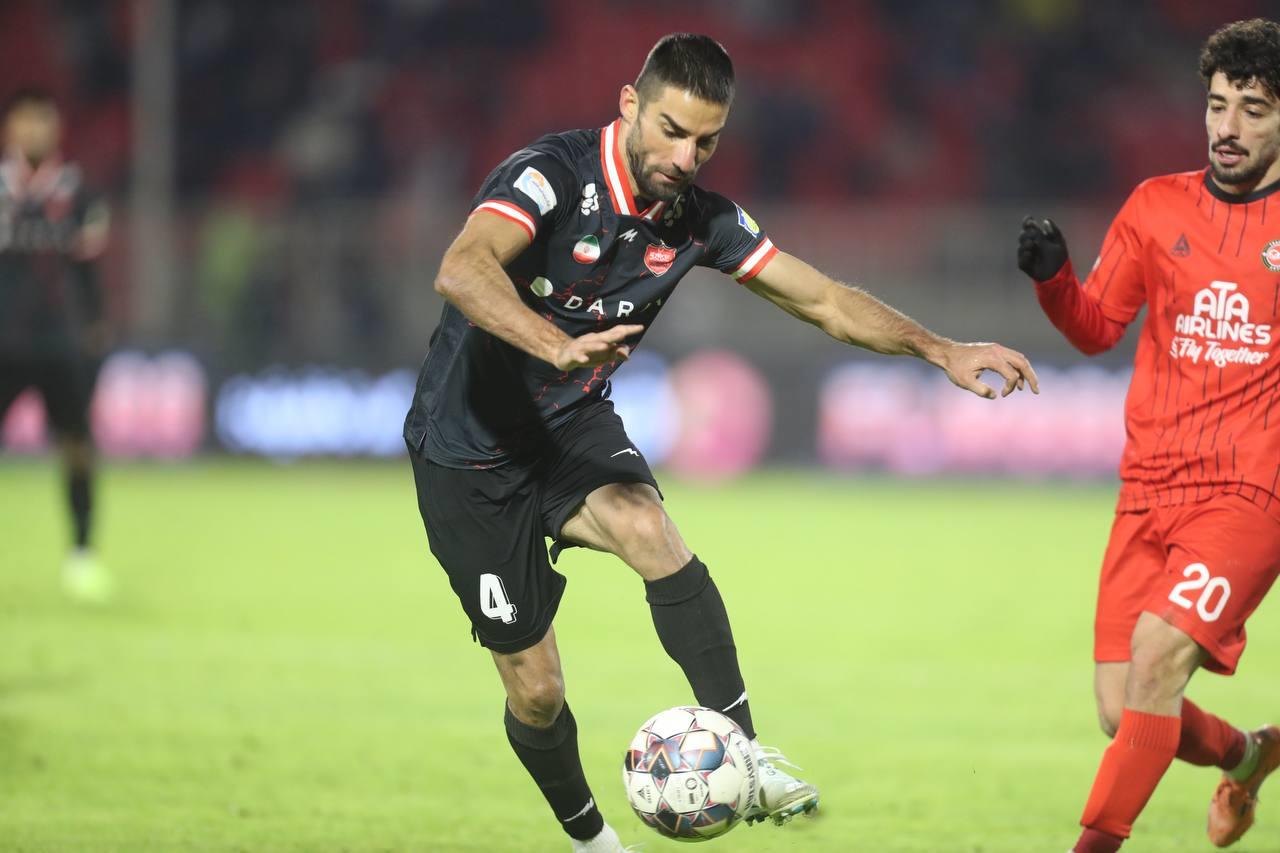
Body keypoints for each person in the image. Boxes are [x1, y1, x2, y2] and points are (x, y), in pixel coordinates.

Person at [406, 33, 1038, 852]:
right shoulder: (551, 175)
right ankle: (594, 842)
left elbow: (825, 300)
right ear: (630, 105)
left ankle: (746, 751)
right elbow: (461, 269)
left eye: (705, 142)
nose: (685, 157)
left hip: (565, 424)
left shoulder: (700, 219)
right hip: (469, 451)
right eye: (671, 130)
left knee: (648, 525)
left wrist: (940, 349)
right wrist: (554, 345)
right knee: (537, 691)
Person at [1018, 18, 1280, 853]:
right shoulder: (1156, 205)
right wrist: (1054, 280)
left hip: (1248, 493)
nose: (1227, 127)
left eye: (1253, 110)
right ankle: (1249, 754)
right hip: (1148, 490)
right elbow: (1098, 326)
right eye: (1217, 105)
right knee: (1121, 705)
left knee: (1158, 658)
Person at [0, 88, 112, 602]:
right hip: (3, 341)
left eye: (42, 121)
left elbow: (90, 271)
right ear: (10, 128)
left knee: (76, 447)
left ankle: (82, 554)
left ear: (56, 128)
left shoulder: (79, 191)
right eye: (25, 121)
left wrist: (95, 326)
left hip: (60, 342)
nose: (34, 130)